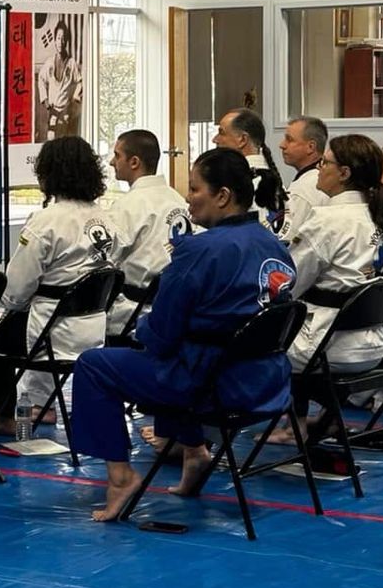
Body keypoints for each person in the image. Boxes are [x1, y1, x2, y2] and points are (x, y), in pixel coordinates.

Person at [67, 148, 297, 523]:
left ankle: (121, 478)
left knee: (96, 365)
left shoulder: (198, 252)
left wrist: (140, 329)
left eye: (194, 188)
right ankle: (195, 454)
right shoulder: (274, 245)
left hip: (213, 386)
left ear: (222, 196)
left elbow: (162, 334)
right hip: (267, 379)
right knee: (183, 352)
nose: (188, 197)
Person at [0, 135, 121, 444]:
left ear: (49, 173)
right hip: (92, 331)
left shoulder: (45, 222)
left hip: (48, 334)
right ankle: (6, 417)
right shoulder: (110, 220)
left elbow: (14, 292)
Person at [282, 134, 383, 373]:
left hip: (323, 347)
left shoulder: (326, 221)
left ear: (344, 173)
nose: (319, 169)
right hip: (373, 344)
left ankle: (285, 409)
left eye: (325, 163)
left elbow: (290, 284)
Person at [106, 129, 191, 336]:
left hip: (133, 315)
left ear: (134, 162)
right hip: (177, 311)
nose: (111, 162)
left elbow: (107, 261)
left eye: (117, 155)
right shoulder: (179, 200)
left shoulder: (127, 206)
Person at [213, 108, 287, 230]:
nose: (215, 139)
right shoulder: (273, 180)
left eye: (221, 133)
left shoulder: (244, 184)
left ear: (242, 140)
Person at [277, 115, 332, 238]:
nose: (282, 145)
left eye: (289, 140)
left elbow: (288, 241)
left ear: (310, 147)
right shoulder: (325, 179)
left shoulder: (303, 190)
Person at [36, 18, 81, 139]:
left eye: (63, 38)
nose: (60, 42)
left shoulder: (72, 63)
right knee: (51, 138)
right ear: (55, 40)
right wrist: (44, 99)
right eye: (58, 38)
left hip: (66, 111)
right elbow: (41, 78)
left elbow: (79, 82)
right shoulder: (50, 62)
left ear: (67, 41)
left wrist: (74, 100)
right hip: (52, 110)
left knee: (63, 140)